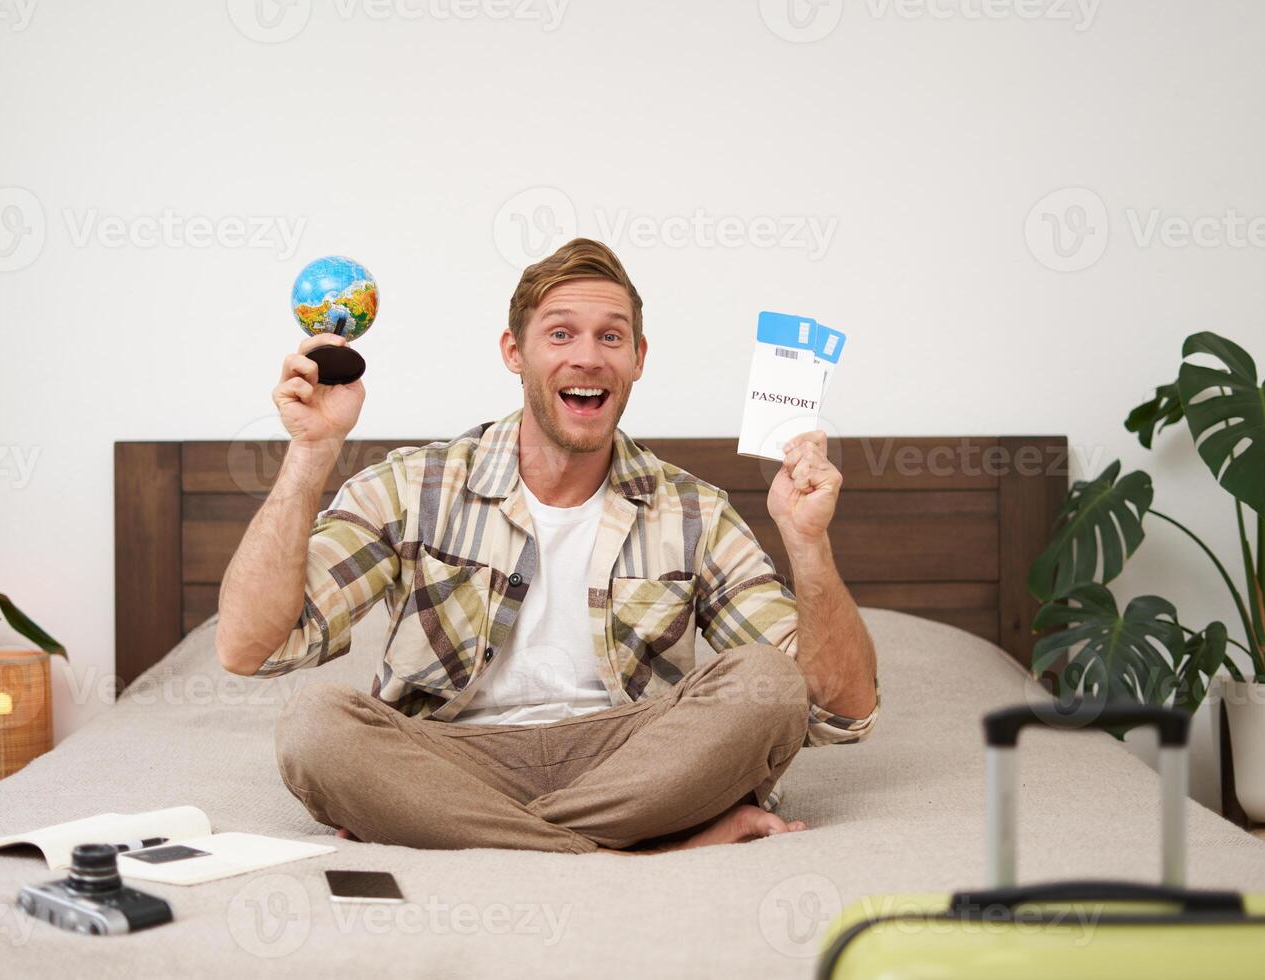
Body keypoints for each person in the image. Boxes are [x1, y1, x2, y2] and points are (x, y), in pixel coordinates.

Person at [215, 238, 878, 854]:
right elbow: (252, 644)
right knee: (316, 726)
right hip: (450, 759)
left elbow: (835, 709)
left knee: (766, 683)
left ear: (637, 360)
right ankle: (648, 845)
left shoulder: (694, 512)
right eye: (560, 333)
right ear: (514, 352)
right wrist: (311, 453)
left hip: (632, 759)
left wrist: (808, 543)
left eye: (611, 337)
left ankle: (498, 837)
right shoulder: (411, 486)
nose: (587, 356)